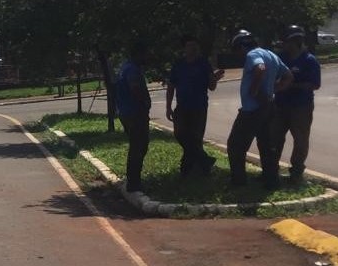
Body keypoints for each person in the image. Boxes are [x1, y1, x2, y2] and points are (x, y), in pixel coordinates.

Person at [225, 30, 293, 189]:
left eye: (237, 50)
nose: (238, 55)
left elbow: (260, 68)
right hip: (269, 107)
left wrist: (255, 91)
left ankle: (238, 182)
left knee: (235, 145)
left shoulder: (252, 55)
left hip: (252, 110)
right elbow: (289, 76)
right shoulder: (271, 54)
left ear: (242, 46)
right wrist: (274, 89)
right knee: (266, 146)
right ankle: (271, 181)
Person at [165, 35, 224, 176]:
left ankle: (189, 170)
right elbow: (171, 86)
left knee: (195, 138)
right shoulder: (179, 64)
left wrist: (215, 78)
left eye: (195, 45)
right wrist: (168, 106)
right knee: (180, 134)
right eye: (190, 45)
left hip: (199, 107)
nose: (193, 48)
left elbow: (212, 87)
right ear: (184, 48)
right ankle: (204, 160)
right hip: (182, 106)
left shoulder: (203, 64)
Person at [273, 25, 321, 183]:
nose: (284, 45)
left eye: (287, 42)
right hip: (280, 105)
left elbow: (314, 84)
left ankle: (296, 171)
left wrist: (290, 85)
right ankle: (272, 170)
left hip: (301, 106)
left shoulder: (309, 60)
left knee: (300, 139)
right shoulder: (280, 57)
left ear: (296, 41)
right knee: (275, 137)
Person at [115, 42, 152, 192]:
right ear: (138, 54)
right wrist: (144, 102)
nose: (147, 57)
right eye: (145, 54)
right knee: (139, 146)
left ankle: (134, 180)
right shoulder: (132, 70)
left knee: (138, 145)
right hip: (135, 112)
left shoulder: (125, 67)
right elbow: (135, 88)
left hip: (126, 112)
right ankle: (134, 182)